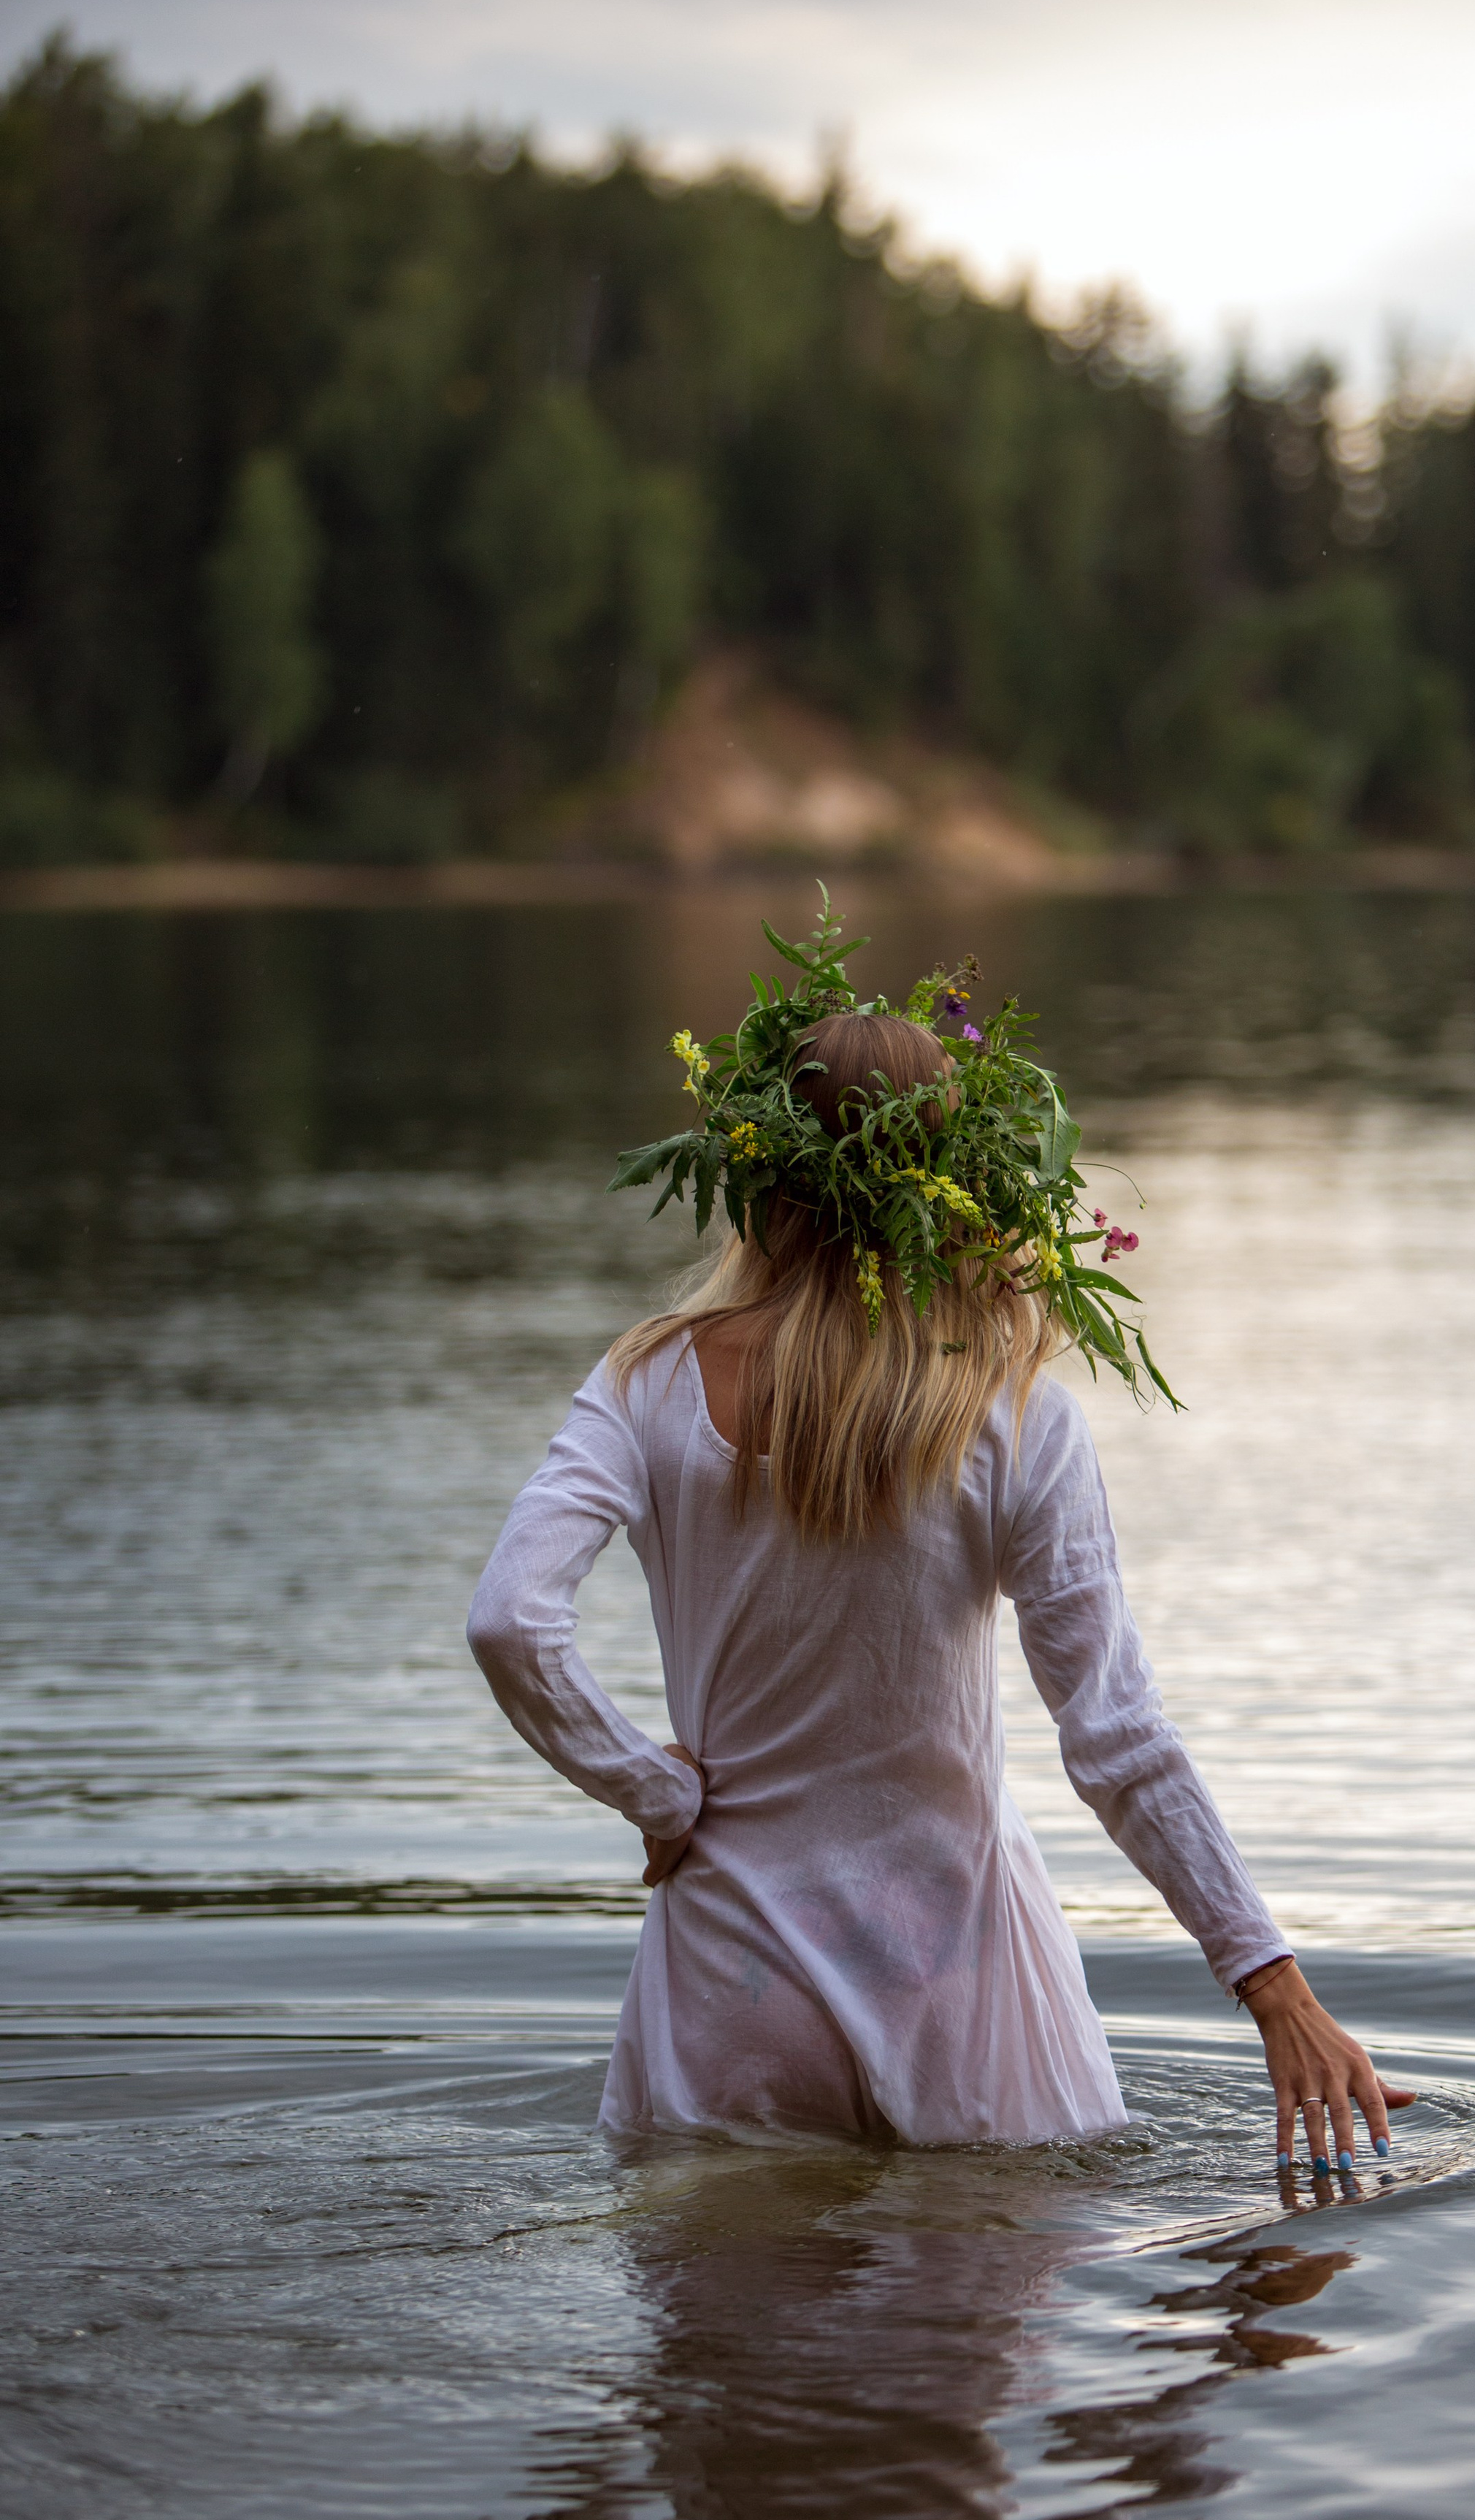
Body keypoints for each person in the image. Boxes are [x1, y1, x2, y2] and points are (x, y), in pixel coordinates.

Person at [468, 904, 1411, 2172]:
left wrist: (654, 1788)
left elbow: (509, 1621)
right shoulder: (1013, 1416)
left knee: (723, 2364)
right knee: (973, 2343)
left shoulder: (646, 1382)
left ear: (763, 1173)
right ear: (957, 1180)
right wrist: (1273, 1988)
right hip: (959, 1979)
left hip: (731, 1988)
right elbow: (1116, 1737)